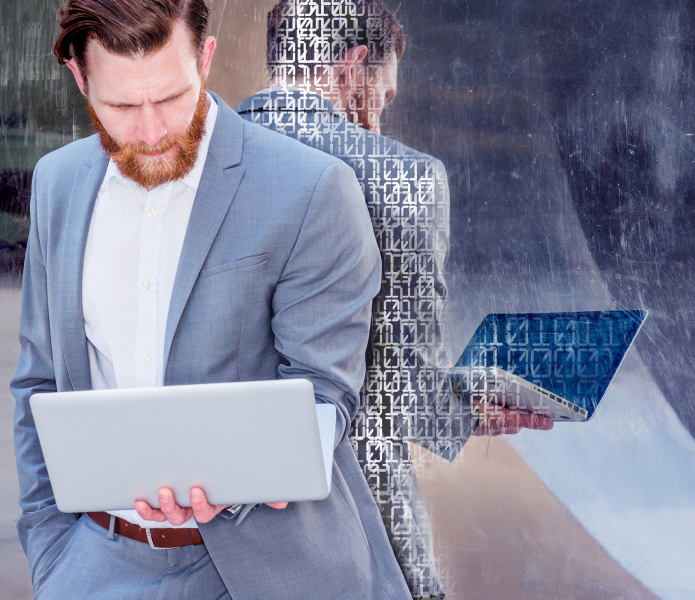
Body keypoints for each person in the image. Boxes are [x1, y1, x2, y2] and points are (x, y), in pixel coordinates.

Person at [9, 0, 416, 598]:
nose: (149, 132)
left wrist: (259, 468)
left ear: (206, 57)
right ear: (79, 77)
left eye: (171, 97)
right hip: (96, 565)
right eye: (120, 105)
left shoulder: (311, 190)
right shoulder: (58, 183)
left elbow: (323, 392)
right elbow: (38, 383)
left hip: (269, 570)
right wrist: (50, 551)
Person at [238, 2, 552, 598]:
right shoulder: (399, 175)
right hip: (358, 520)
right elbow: (401, 385)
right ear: (355, 67)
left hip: (214, 512)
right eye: (385, 94)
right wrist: (477, 408)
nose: (382, 111)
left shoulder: (196, 159)